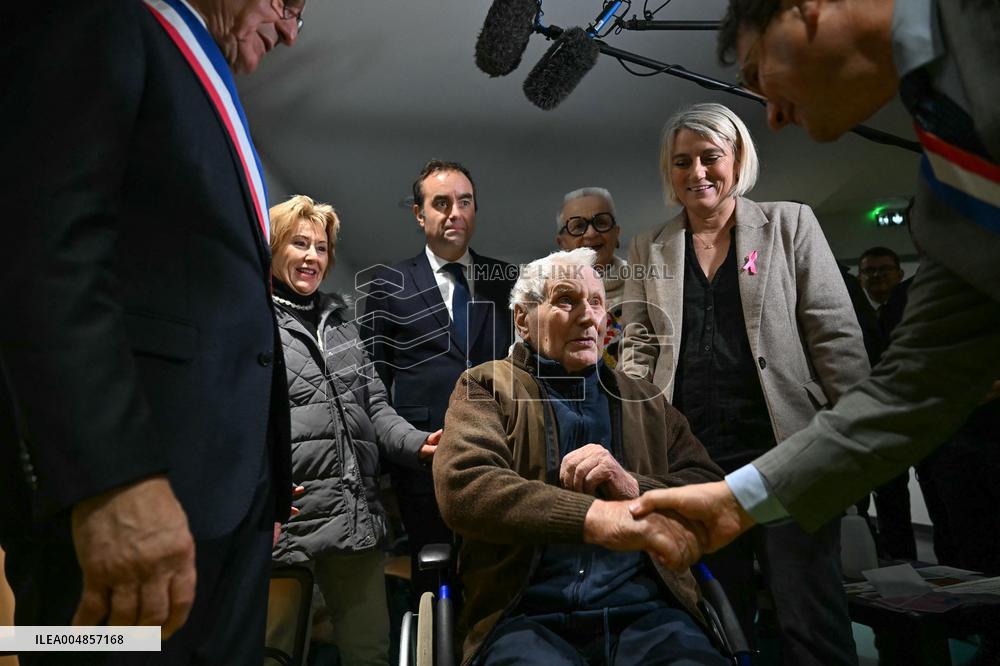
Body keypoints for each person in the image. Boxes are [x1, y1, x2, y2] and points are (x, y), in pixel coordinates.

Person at [627, 0, 1000, 582]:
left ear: (805, 9)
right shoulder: (948, 179)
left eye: (758, 73)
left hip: (782, 431)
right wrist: (738, 499)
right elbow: (918, 377)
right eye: (682, 162)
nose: (773, 116)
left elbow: (836, 335)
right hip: (692, 450)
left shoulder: (979, 37)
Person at [0, 0, 302, 662]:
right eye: (288, 4)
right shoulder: (97, 17)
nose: (289, 31)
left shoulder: (202, 83)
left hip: (229, 513)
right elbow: (44, 252)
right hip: (129, 504)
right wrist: (111, 478)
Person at [620, 102, 867, 665]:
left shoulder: (790, 223)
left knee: (809, 618)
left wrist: (857, 441)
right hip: (692, 463)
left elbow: (835, 335)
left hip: (787, 455)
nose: (697, 172)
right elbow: (637, 348)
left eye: (710, 157)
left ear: (737, 158)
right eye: (682, 161)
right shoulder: (648, 245)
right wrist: (634, 436)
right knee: (717, 622)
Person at [433, 248, 728, 666]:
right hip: (524, 617)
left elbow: (710, 487)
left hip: (649, 613)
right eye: (567, 300)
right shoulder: (485, 387)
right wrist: (597, 516)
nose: (589, 317)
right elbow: (465, 487)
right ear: (523, 319)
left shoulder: (645, 400)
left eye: (597, 303)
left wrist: (633, 486)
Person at [267, 196, 441, 665]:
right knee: (275, 653)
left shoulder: (343, 326)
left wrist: (419, 443)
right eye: (299, 244)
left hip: (353, 517)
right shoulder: (254, 321)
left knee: (370, 653)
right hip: (288, 523)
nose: (312, 256)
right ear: (275, 247)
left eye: (321, 248)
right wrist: (261, 490)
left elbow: (375, 406)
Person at [361, 159, 515, 602]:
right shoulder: (387, 284)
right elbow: (372, 384)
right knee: (432, 579)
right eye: (441, 203)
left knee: (499, 573)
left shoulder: (506, 280)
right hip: (423, 462)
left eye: (464, 202)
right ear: (419, 213)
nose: (455, 213)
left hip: (498, 452)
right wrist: (401, 449)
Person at [854, 247, 916, 560]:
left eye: (884, 270)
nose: (877, 276)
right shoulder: (852, 314)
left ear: (899, 274)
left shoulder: (913, 313)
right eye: (870, 271)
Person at [555, 188, 628, 367]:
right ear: (562, 243)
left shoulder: (646, 286)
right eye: (578, 226)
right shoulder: (543, 294)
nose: (591, 233)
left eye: (601, 222)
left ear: (617, 233)